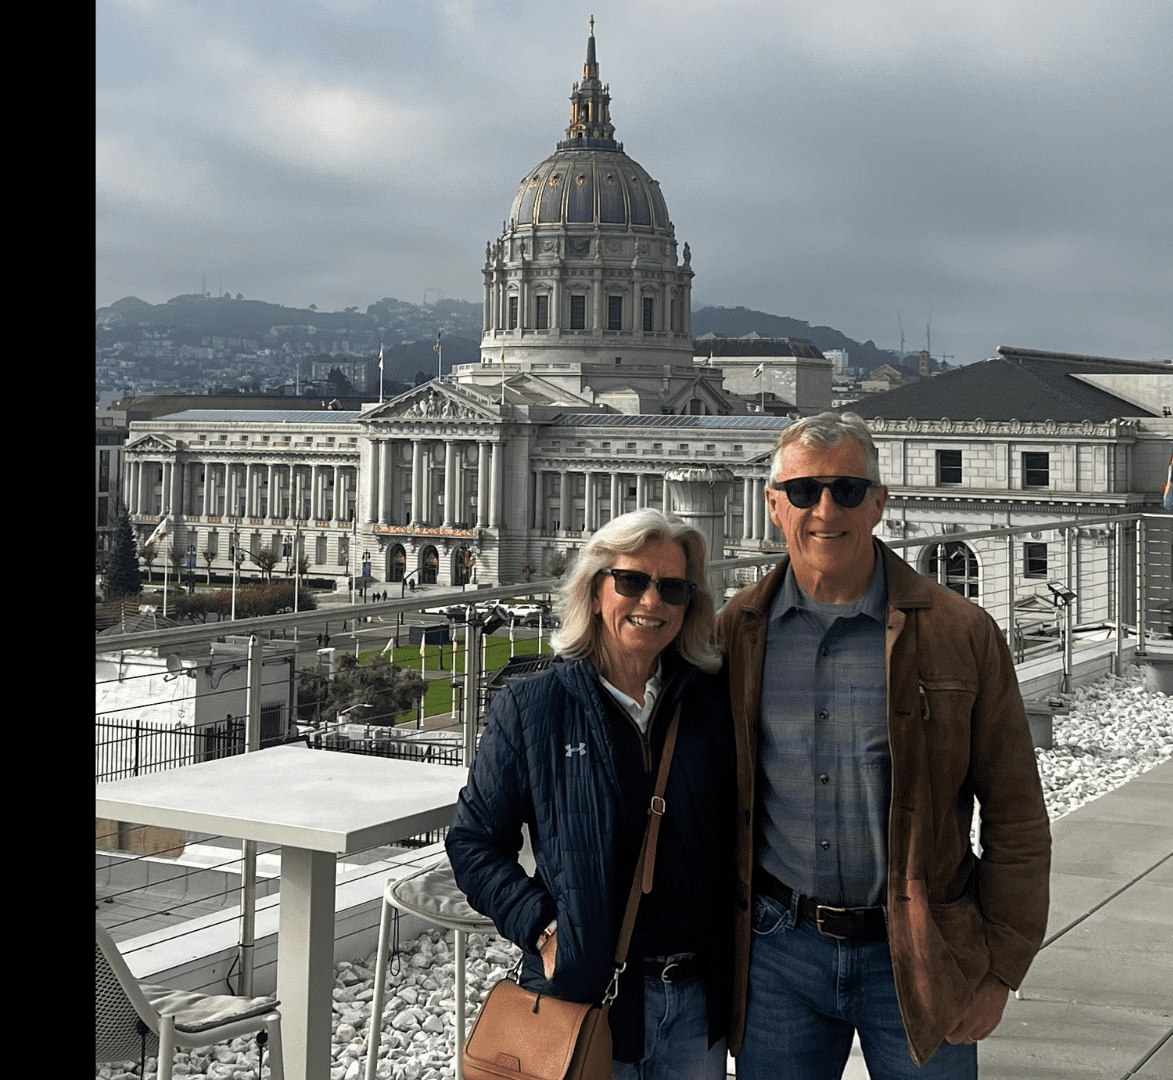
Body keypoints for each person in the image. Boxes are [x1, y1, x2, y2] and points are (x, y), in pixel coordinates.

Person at [717, 412, 1052, 1080]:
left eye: (846, 489)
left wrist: (1000, 968)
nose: (824, 509)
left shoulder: (962, 632)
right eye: (805, 490)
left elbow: (1016, 815)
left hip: (922, 946)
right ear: (773, 504)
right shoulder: (735, 632)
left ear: (878, 503)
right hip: (778, 951)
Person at [448, 508, 736, 1080]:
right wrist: (543, 928)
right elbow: (474, 844)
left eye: (672, 588)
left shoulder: (711, 703)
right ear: (596, 588)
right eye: (632, 581)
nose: (651, 603)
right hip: (584, 998)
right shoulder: (533, 708)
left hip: (695, 1004)